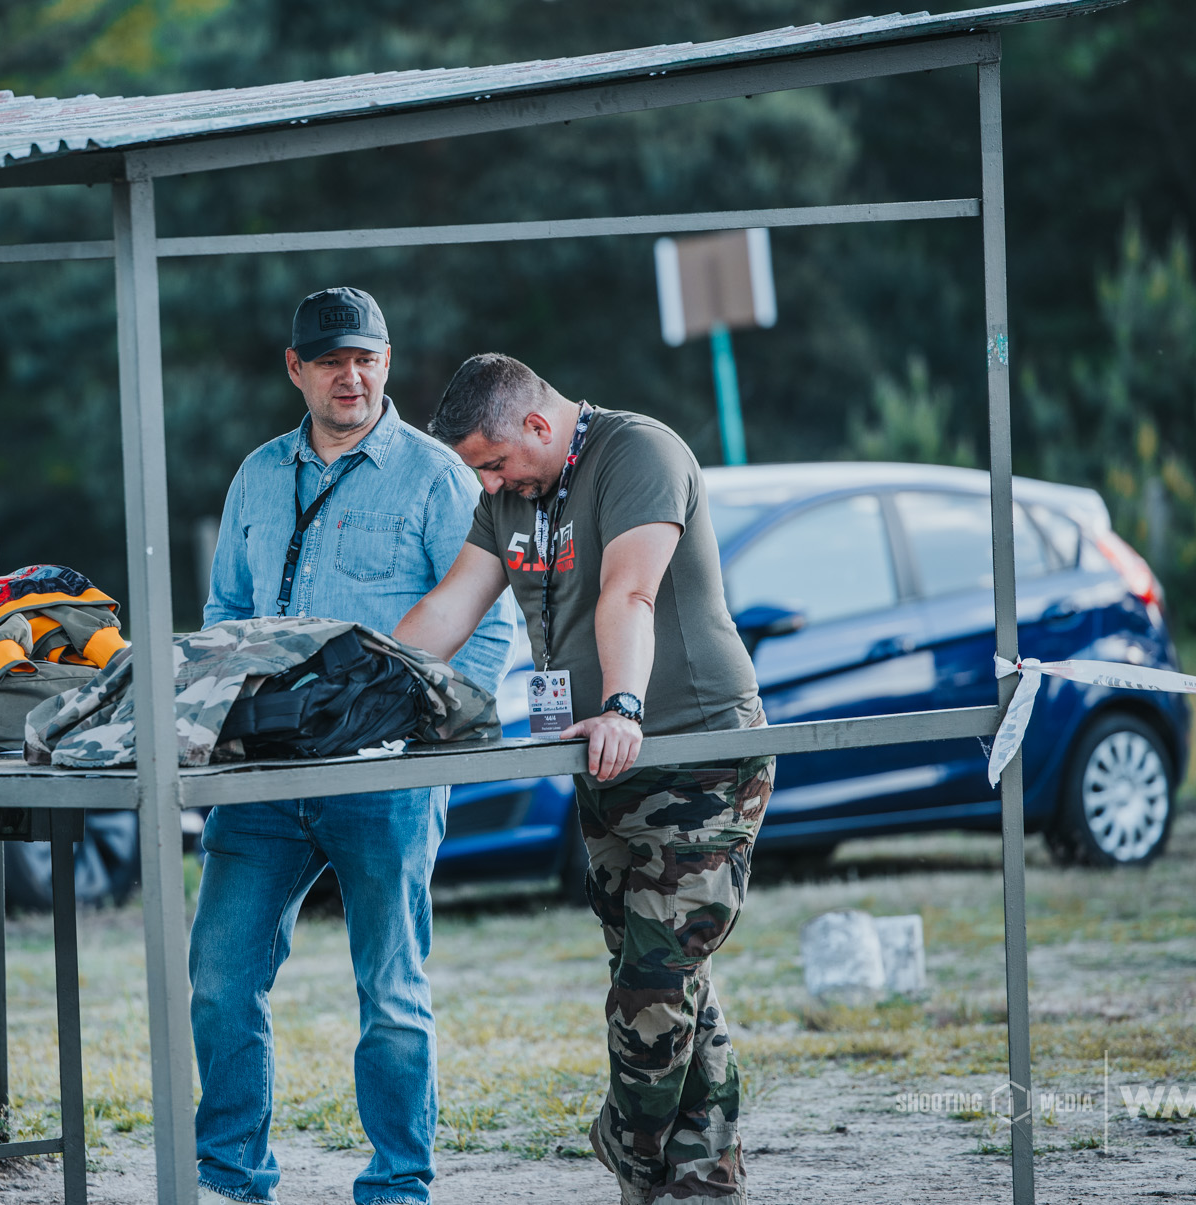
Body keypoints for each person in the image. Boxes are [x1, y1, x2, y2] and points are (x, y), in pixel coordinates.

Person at [391, 353, 770, 1205]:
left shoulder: (641, 454)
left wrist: (625, 704)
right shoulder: (508, 498)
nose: (490, 483)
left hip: (696, 752)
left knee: (657, 982)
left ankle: (628, 1146)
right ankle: (701, 1178)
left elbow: (629, 594)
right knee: (666, 975)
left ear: (536, 424)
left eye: (494, 463)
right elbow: (450, 608)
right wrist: (361, 690)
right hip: (602, 762)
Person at [194, 287, 515, 1205]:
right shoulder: (257, 475)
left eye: (367, 357)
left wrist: (428, 731)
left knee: (392, 990)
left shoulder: (436, 475)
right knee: (219, 977)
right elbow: (224, 611)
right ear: (295, 368)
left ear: (388, 361)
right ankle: (231, 1181)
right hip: (261, 776)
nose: (352, 375)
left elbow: (487, 628)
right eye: (331, 359)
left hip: (387, 775)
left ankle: (397, 1185)